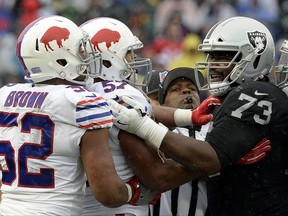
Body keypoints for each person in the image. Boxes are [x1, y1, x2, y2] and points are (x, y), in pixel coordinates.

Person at [107, 16, 288, 215]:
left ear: (254, 58)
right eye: (211, 56)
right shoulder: (233, 98)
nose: (212, 64)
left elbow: (205, 159)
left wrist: (144, 126)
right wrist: (225, 159)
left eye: (222, 56)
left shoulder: (256, 93)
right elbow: (199, 163)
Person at [0, 15, 145, 215]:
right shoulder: (82, 102)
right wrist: (135, 190)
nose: (86, 57)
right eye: (80, 50)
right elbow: (108, 194)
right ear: (59, 59)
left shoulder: (6, 95)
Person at [80, 17, 160, 216]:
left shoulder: (74, 94)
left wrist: (182, 116)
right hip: (119, 207)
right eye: (128, 53)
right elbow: (157, 174)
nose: (133, 61)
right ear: (107, 58)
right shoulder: (123, 95)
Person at [150, 67, 208, 216]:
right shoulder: (153, 126)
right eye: (176, 89)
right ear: (162, 103)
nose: (186, 91)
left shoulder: (214, 128)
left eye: (192, 88)